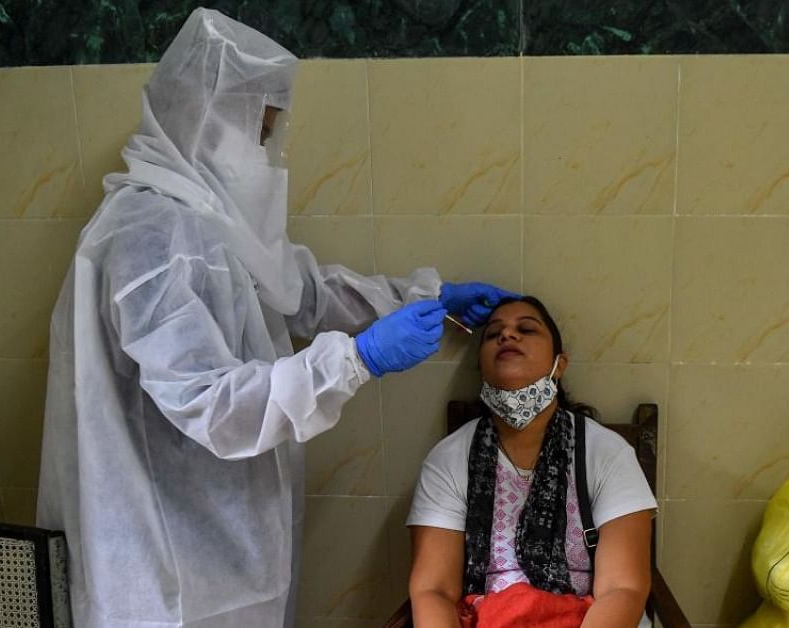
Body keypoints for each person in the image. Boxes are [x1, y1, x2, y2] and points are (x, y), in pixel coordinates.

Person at [35, 9, 514, 628]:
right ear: (205, 120)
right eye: (255, 130)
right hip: (160, 563)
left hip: (224, 537)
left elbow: (305, 291)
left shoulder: (213, 224)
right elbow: (210, 403)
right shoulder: (144, 240)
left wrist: (429, 296)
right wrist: (355, 359)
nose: (263, 151)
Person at [406, 297, 658, 627]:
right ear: (481, 364)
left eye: (526, 328)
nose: (507, 336)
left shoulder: (606, 452)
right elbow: (433, 589)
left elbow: (622, 588)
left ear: (560, 364)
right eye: (494, 333)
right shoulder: (448, 459)